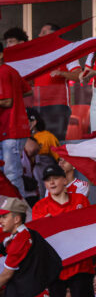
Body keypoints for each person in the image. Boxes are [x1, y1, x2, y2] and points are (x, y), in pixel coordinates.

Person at [33, 163, 95, 297]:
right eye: (47, 179)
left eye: (55, 178)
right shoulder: (40, 208)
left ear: (65, 180)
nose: (51, 182)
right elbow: (36, 239)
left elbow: (89, 227)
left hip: (80, 265)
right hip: (53, 269)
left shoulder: (80, 200)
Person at [33, 24, 81, 141]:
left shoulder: (67, 51)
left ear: (55, 35)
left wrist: (62, 73)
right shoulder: (37, 53)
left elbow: (79, 75)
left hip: (57, 106)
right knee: (38, 143)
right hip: (37, 105)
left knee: (56, 142)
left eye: (44, 32)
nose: (39, 35)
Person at [0, 42, 31, 197]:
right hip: (8, 129)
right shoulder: (11, 71)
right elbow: (27, 91)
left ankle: (19, 213)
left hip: (11, 129)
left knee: (11, 174)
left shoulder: (3, 71)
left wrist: (13, 97)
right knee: (7, 176)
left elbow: (7, 101)